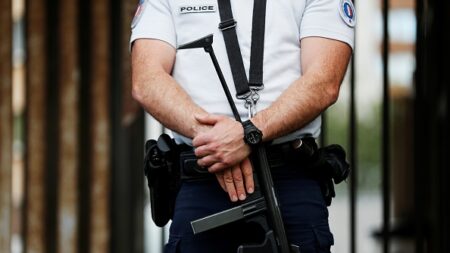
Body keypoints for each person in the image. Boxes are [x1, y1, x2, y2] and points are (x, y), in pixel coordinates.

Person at [130, 0, 355, 252]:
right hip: (203, 178)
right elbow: (146, 80)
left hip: (288, 179)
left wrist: (249, 134)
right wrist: (214, 140)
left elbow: (324, 81)